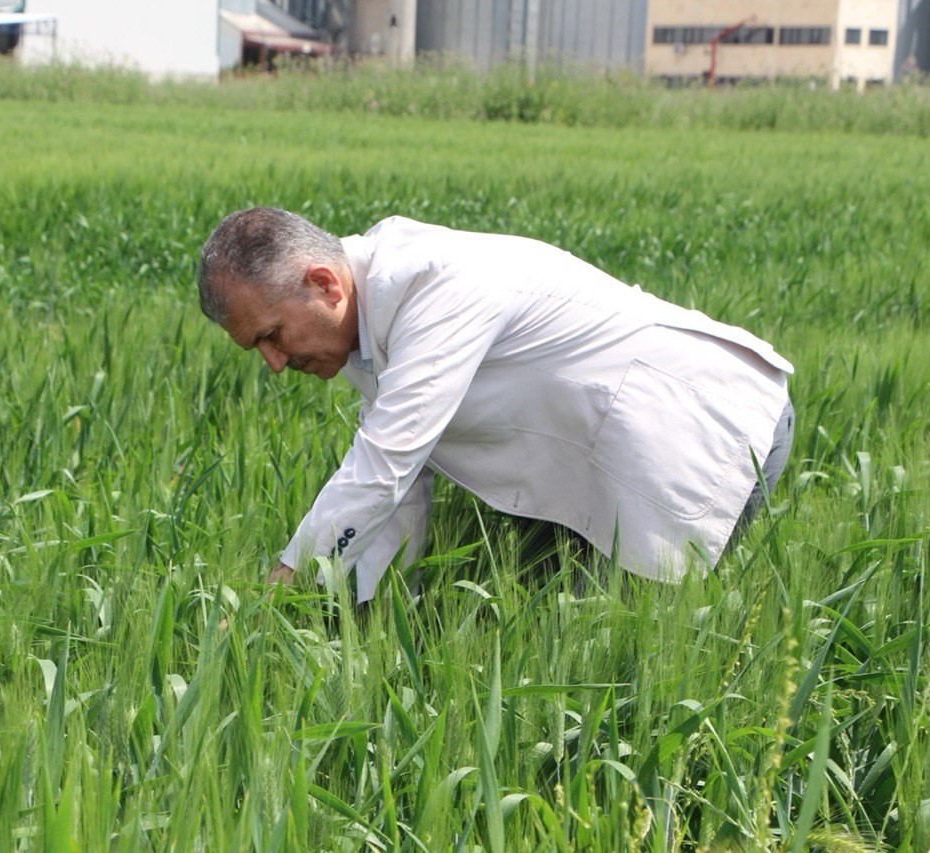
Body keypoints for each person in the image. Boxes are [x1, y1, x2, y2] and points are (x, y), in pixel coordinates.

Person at [197, 207, 794, 604]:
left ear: (325, 284)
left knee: (619, 663)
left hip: (703, 432)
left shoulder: (435, 288)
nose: (274, 363)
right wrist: (362, 617)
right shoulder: (367, 326)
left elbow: (383, 467)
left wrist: (286, 582)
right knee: (554, 637)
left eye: (271, 335)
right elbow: (401, 493)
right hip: (598, 460)